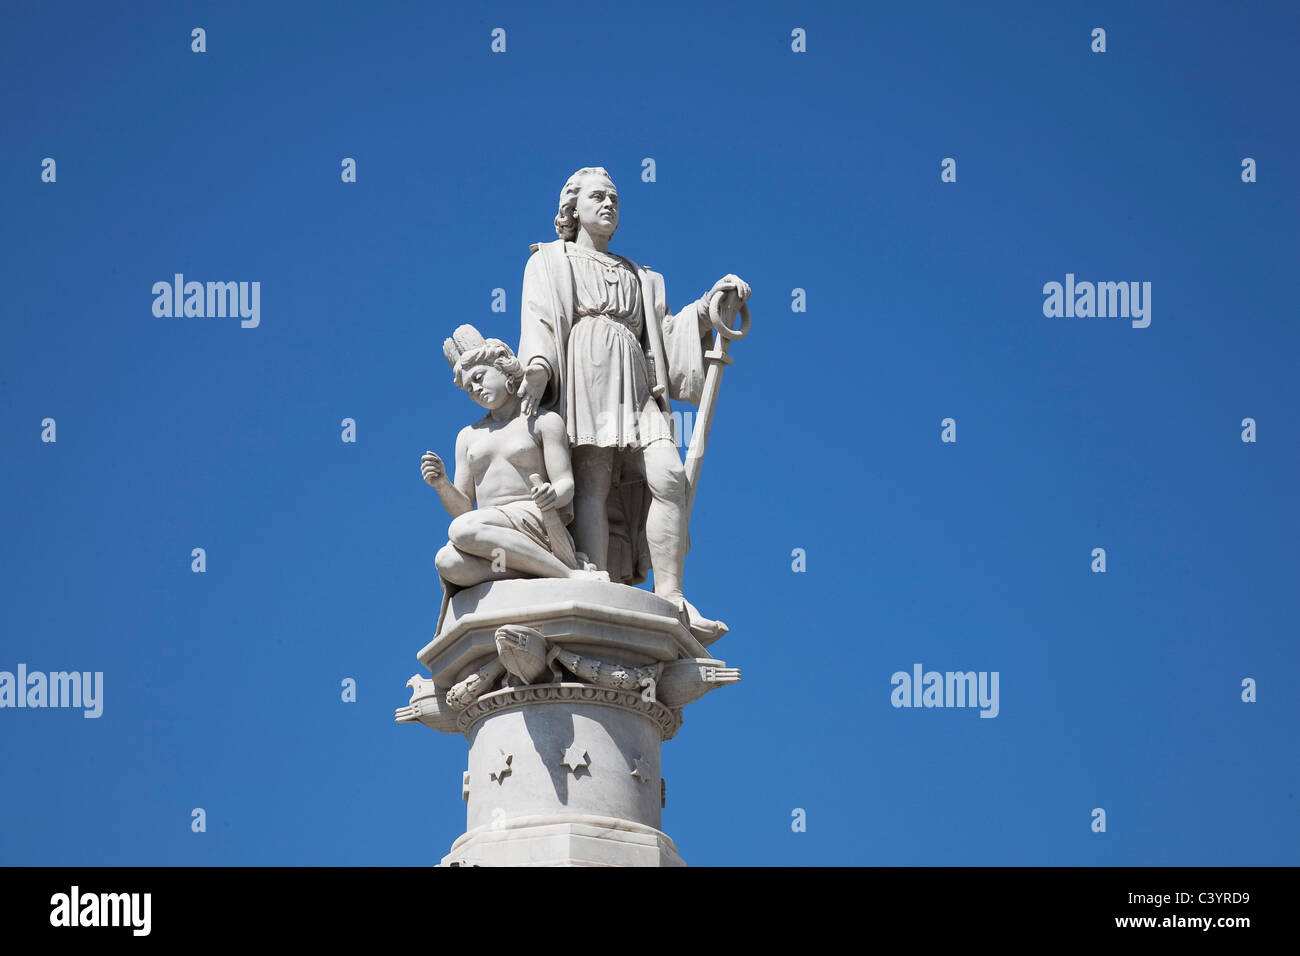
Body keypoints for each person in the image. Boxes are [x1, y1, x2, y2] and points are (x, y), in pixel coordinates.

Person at [515, 167, 749, 639]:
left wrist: (706, 310)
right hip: (584, 371)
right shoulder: (549, 261)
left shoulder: (642, 276)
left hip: (637, 382)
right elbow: (539, 318)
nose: (608, 205)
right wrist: (538, 368)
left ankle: (673, 596)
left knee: (669, 478)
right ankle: (594, 576)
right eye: (598, 197)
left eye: (615, 199)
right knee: (593, 481)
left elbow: (662, 337)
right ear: (572, 208)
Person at [421, 325, 606, 594]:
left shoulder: (543, 422)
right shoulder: (467, 437)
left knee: (461, 530)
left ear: (504, 369)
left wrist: (550, 495)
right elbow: (463, 506)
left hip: (533, 517)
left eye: (480, 376)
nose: (476, 388)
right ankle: (537, 569)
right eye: (469, 388)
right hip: (487, 529)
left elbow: (566, 484)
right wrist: (441, 484)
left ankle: (568, 574)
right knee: (446, 561)